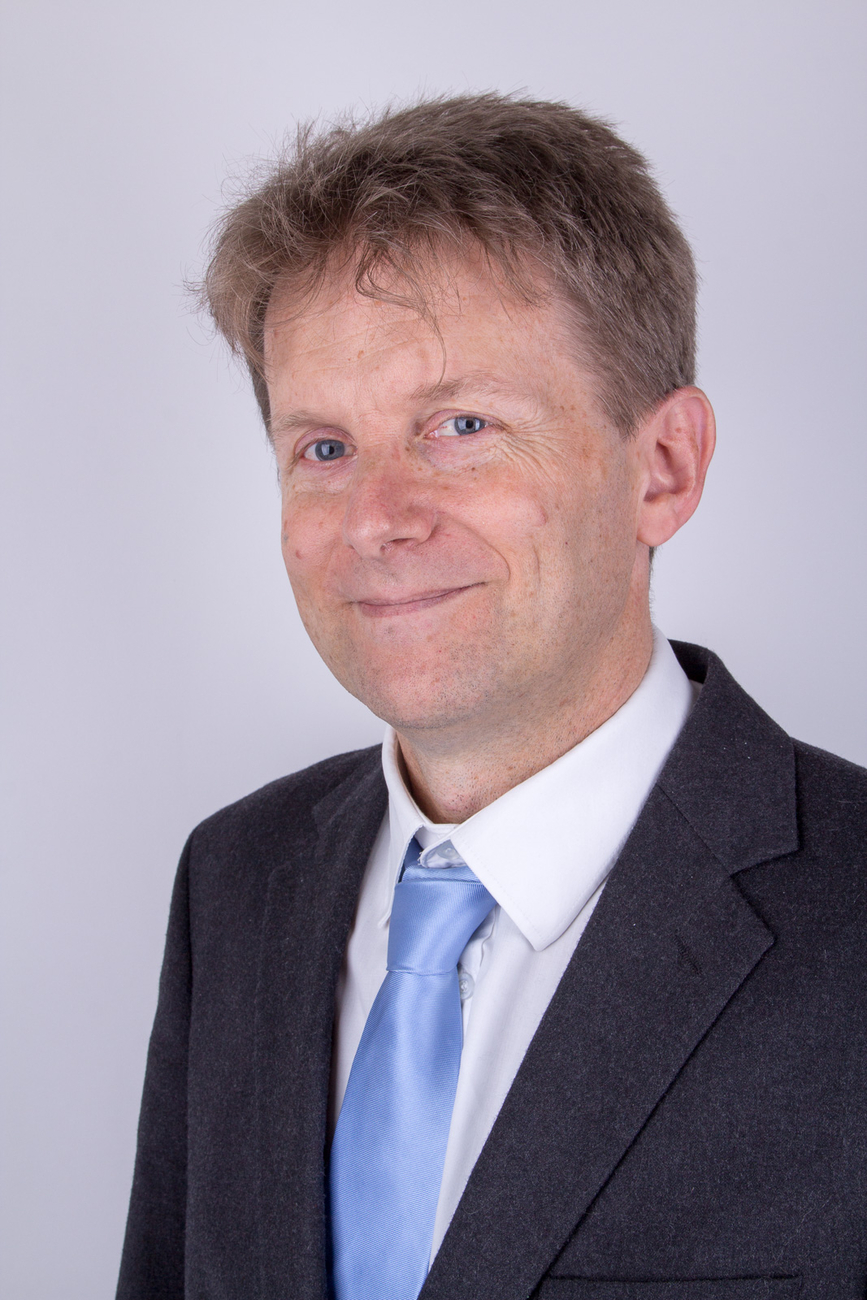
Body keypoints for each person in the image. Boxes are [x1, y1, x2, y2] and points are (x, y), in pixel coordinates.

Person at [116, 95, 867, 1300]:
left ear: (663, 468)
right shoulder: (236, 881)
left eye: (461, 425)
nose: (377, 518)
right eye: (324, 448)